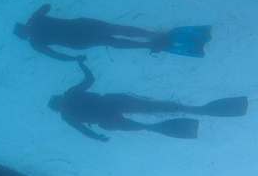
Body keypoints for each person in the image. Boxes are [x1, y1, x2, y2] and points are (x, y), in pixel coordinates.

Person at [48, 57, 248, 141]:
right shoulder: (71, 94)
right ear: (59, 98)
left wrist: (98, 137)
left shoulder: (66, 116)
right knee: (154, 106)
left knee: (145, 125)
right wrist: (80, 63)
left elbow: (84, 130)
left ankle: (176, 125)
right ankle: (199, 110)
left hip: (107, 119)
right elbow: (90, 79)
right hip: (113, 103)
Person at [14, 4, 212, 61]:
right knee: (113, 35)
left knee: (114, 35)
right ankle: (150, 40)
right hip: (80, 30)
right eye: (25, 29)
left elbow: (55, 55)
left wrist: (73, 59)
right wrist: (34, 17)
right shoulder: (36, 33)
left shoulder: (35, 42)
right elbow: (46, 6)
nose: (27, 29)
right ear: (24, 30)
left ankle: (151, 40)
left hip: (80, 32)